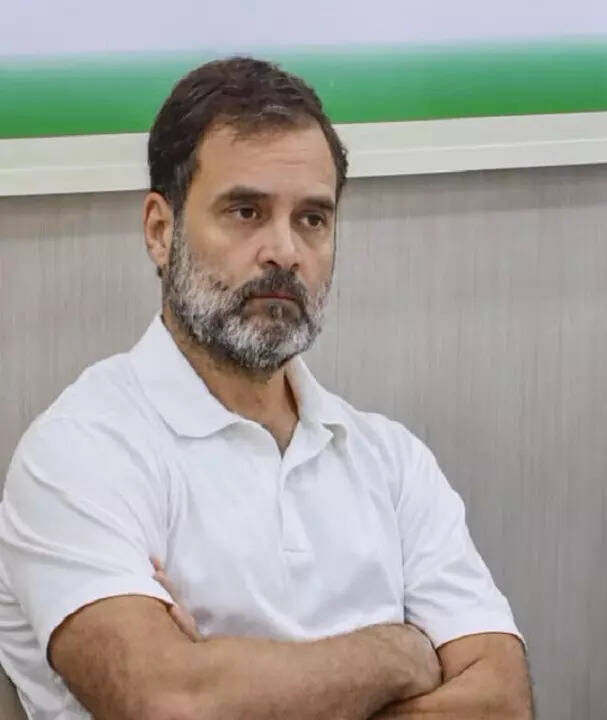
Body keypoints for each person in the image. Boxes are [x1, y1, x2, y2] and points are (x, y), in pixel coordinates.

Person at [0, 58, 531, 720]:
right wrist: (399, 654)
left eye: (312, 219)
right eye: (246, 211)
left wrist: (233, 676)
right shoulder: (81, 453)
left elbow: (501, 700)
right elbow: (170, 702)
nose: (284, 251)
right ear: (160, 231)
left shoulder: (392, 462)